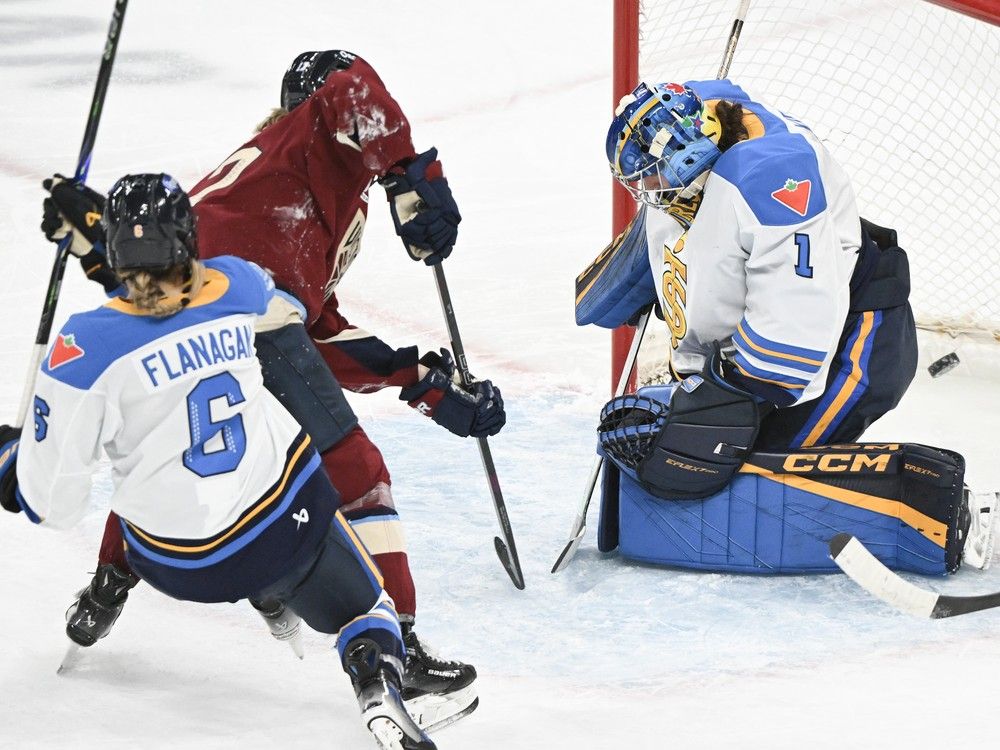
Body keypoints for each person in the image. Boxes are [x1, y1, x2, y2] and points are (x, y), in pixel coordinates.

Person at [39, 50, 503, 726]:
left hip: (182, 315)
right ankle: (395, 646)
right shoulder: (314, 136)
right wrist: (412, 171)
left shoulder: (262, 174)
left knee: (175, 449)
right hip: (237, 316)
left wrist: (418, 379)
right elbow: (352, 85)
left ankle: (107, 587)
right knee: (357, 471)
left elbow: (307, 326)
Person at [3, 173, 436, 750]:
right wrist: (99, 240)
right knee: (362, 598)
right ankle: (372, 671)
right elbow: (188, 299)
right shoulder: (238, 284)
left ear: (116, 250)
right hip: (280, 535)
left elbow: (50, 501)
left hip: (169, 563)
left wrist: (13, 460)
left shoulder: (82, 349)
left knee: (141, 471)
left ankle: (114, 588)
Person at [575, 80, 995, 575]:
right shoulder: (700, 155)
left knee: (753, 476)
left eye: (648, 176)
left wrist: (718, 398)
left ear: (685, 157)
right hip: (783, 340)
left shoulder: (771, 176)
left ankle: (954, 516)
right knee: (691, 450)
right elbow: (716, 94)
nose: (643, 191)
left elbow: (790, 345)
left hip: (854, 340)